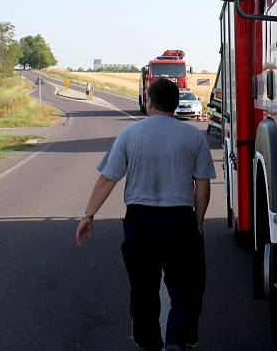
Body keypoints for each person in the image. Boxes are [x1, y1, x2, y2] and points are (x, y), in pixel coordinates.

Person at [75, 77, 216, 351]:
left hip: (140, 222)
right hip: (179, 221)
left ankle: (148, 344)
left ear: (149, 102)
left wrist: (88, 215)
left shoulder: (130, 134)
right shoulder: (193, 137)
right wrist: (198, 222)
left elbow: (108, 178)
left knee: (143, 289)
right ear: (175, 105)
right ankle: (178, 339)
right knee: (186, 289)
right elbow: (202, 185)